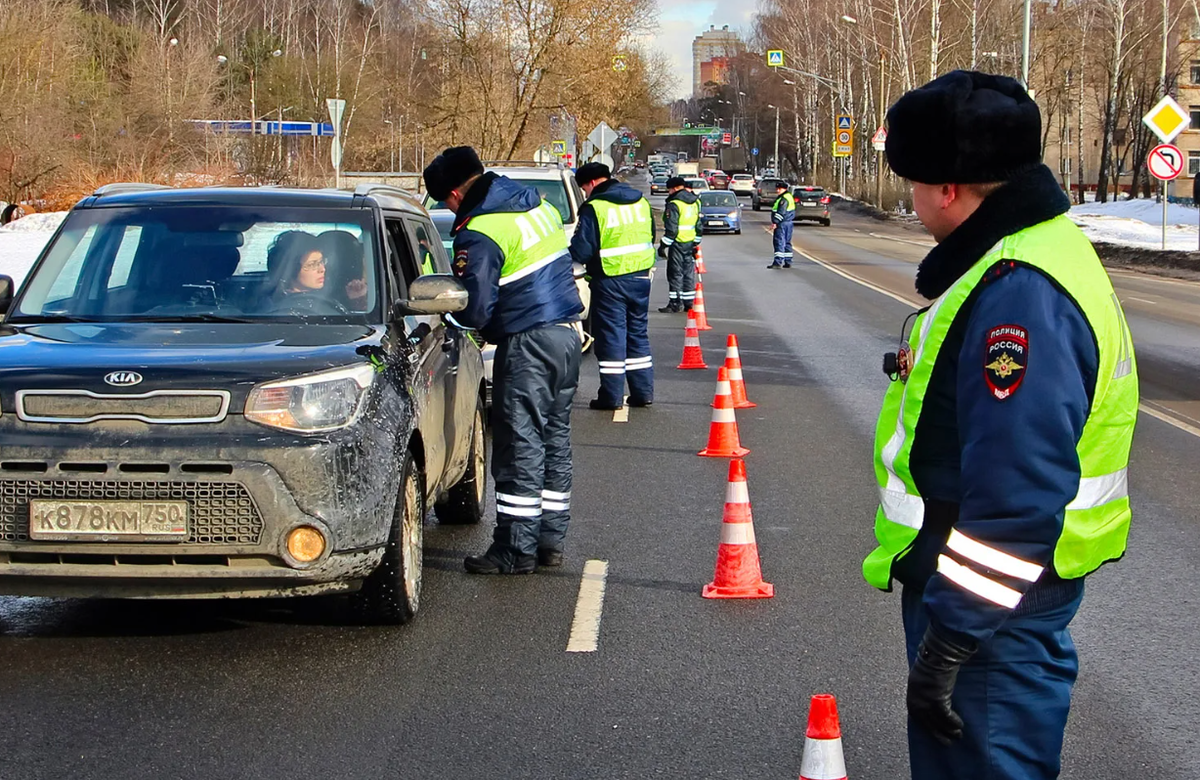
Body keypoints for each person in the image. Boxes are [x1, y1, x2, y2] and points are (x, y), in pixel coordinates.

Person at [863, 71, 1139, 779]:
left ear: (948, 188)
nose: (910, 198)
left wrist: (951, 641)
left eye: (913, 182)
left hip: (990, 613)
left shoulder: (1018, 290)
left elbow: (1018, 493)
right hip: (996, 600)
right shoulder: (1027, 251)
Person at [423, 146, 584, 574]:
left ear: (455, 193)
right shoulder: (535, 205)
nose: (447, 207)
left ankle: (514, 548)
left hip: (527, 341)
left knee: (518, 445)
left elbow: (474, 309)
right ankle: (549, 540)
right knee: (553, 440)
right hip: (566, 336)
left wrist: (446, 310)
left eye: (445, 200)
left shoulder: (480, 231)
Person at [569, 162, 656, 410]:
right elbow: (650, 236)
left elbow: (582, 250)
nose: (585, 193)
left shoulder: (595, 208)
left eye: (584, 188)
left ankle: (612, 397)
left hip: (610, 280)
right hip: (641, 278)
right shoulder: (641, 202)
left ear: (593, 182)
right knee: (637, 335)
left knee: (611, 339)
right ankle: (643, 393)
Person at [657, 176, 700, 312]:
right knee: (688, 273)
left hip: (677, 244)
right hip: (689, 243)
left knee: (675, 273)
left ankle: (675, 303)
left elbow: (672, 229)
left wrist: (663, 246)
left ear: (674, 188)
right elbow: (699, 225)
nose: (668, 192)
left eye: (669, 189)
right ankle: (688, 303)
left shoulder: (674, 203)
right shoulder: (695, 202)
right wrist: (695, 243)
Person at [317, 230, 369, 311]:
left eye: (322, 261)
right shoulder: (307, 290)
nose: (321, 268)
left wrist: (358, 299)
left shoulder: (374, 297)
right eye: (317, 263)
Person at [767, 181, 794, 268]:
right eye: (777, 188)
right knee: (787, 242)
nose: (778, 190)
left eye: (779, 189)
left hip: (782, 223)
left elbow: (780, 212)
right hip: (788, 223)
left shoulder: (783, 199)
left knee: (779, 241)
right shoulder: (789, 197)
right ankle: (788, 261)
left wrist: (775, 222)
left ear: (784, 189)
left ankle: (777, 262)